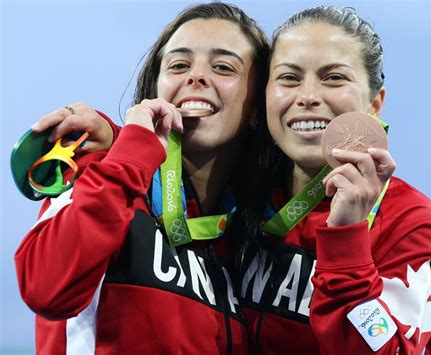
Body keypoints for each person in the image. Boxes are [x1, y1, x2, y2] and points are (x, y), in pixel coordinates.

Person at [14, 2, 269, 353]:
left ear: (257, 109)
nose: (196, 77)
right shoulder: (101, 175)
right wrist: (127, 151)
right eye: (179, 65)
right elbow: (44, 287)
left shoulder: (245, 237)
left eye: (223, 67)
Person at [234, 6, 431, 355]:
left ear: (375, 104)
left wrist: (346, 242)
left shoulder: (412, 225)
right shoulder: (238, 192)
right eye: (289, 78)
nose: (307, 96)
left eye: (333, 77)